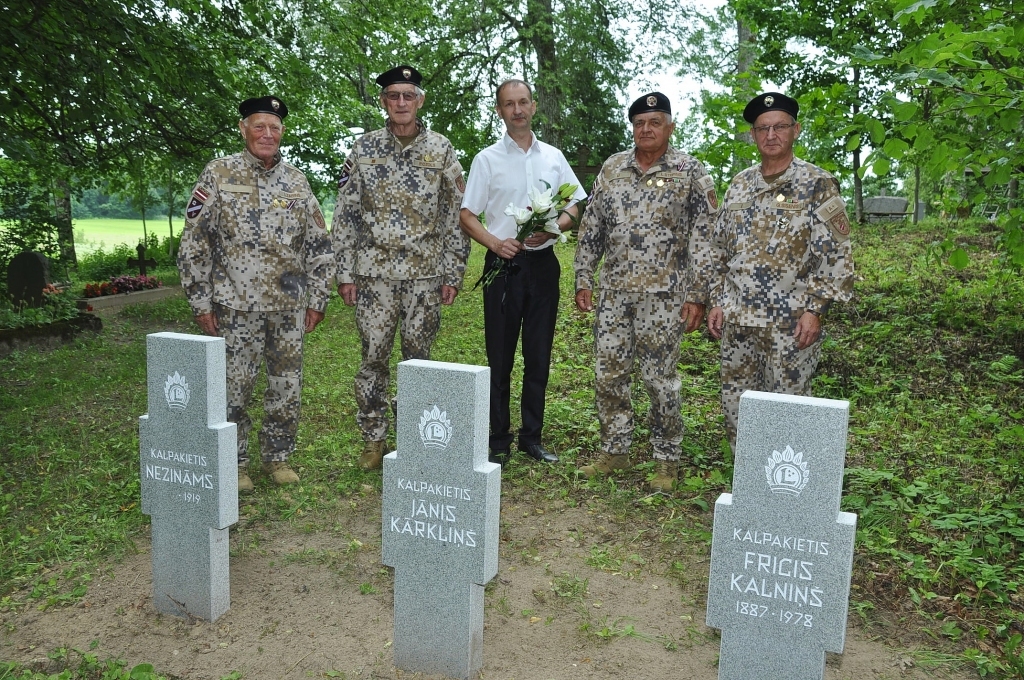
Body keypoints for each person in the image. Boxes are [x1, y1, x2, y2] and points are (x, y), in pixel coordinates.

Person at [178, 95, 335, 492]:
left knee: (286, 385)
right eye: (259, 126)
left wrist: (318, 298)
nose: (268, 134)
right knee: (235, 387)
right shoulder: (219, 173)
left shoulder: (296, 182)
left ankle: (277, 458)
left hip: (287, 307)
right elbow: (195, 242)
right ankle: (236, 462)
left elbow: (318, 244)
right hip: (235, 306)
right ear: (243, 128)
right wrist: (200, 302)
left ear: (282, 132)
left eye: (275, 127)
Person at [573, 92, 718, 492]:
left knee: (659, 379)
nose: (646, 129)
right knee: (609, 374)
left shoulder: (689, 170)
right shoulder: (613, 168)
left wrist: (698, 294)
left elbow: (706, 236)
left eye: (655, 122)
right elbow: (592, 227)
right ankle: (614, 448)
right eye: (639, 123)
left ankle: (666, 459)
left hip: (665, 294)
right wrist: (584, 276)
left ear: (670, 126)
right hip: (615, 292)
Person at [332, 65, 469, 471]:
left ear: (420, 100)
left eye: (408, 95)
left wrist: (453, 273)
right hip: (373, 275)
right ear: (384, 102)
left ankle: (413, 438)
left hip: (424, 277)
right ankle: (373, 439)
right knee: (373, 357)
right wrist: (345, 273)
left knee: (418, 360)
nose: (401, 103)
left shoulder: (441, 149)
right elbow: (346, 214)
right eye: (394, 96)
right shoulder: (363, 148)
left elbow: (454, 214)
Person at [703, 92, 855, 451]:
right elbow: (718, 250)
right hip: (738, 322)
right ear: (753, 135)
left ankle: (787, 492)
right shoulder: (740, 184)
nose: (771, 135)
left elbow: (836, 253)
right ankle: (749, 490)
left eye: (780, 127)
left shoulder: (817, 184)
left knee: (789, 411)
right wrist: (718, 300)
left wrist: (816, 309)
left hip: (790, 325)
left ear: (796, 130)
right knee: (737, 411)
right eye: (762, 128)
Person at [459, 79, 586, 466]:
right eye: (508, 104)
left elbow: (576, 203)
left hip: (544, 267)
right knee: (500, 356)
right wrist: (495, 244)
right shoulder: (487, 159)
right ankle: (498, 438)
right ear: (499, 110)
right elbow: (467, 215)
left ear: (533, 106)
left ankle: (532, 436)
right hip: (503, 267)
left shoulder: (553, 157)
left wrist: (556, 227)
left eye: (523, 102)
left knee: (539, 355)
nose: (517, 110)